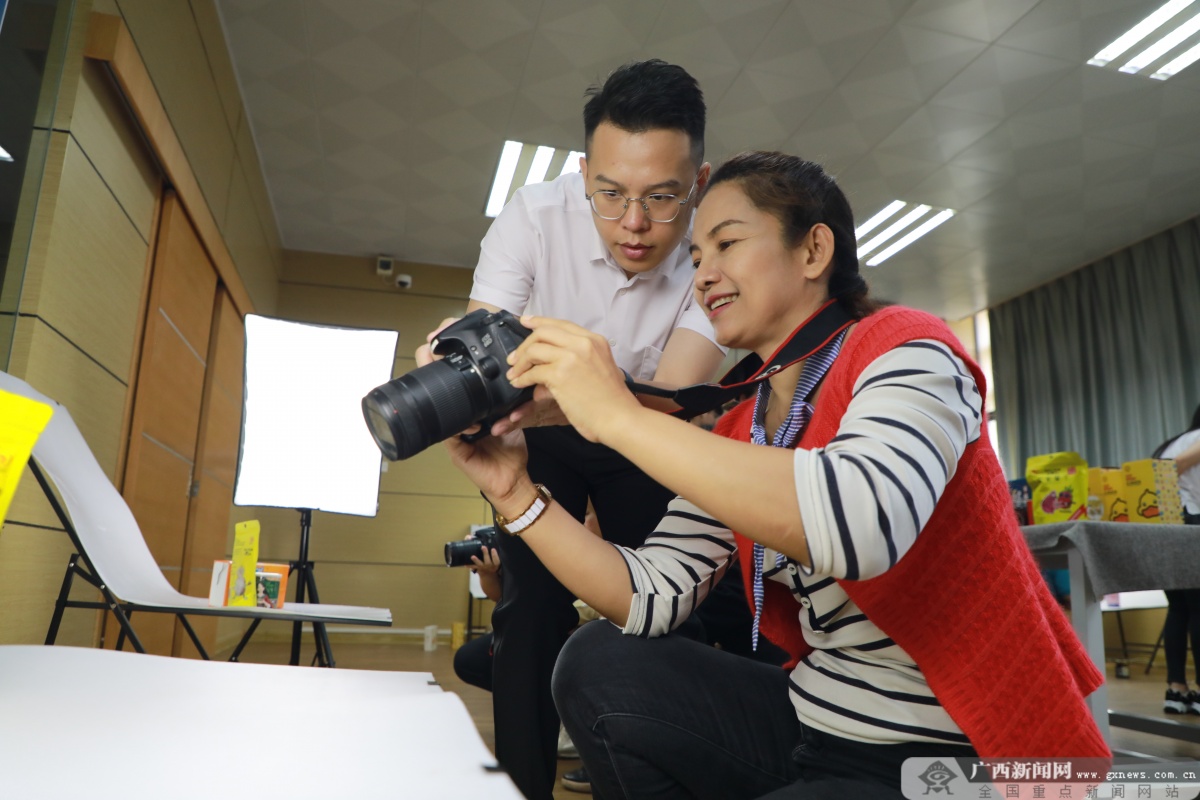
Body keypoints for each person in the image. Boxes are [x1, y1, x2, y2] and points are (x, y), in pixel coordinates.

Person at [423, 151, 1109, 798]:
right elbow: (647, 596)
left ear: (813, 250)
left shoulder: (909, 348)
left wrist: (620, 418)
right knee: (602, 660)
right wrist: (515, 493)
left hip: (946, 755)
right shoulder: (744, 422)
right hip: (813, 723)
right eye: (696, 256)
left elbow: (860, 524)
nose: (703, 274)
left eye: (727, 243)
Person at [429, 59, 725, 800]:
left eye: (662, 197)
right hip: (544, 425)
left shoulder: (717, 243)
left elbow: (676, 398)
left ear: (698, 178)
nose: (634, 224)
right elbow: (485, 348)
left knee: (666, 613)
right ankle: (524, 789)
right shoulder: (533, 214)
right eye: (611, 194)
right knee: (527, 607)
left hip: (650, 427)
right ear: (585, 171)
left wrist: (594, 402)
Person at [1153, 404, 1200, 715]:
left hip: (1163, 524)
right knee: (1198, 607)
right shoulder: (1193, 442)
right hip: (1187, 522)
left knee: (1179, 607)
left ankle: (1176, 688)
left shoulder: (1175, 440)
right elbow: (1169, 469)